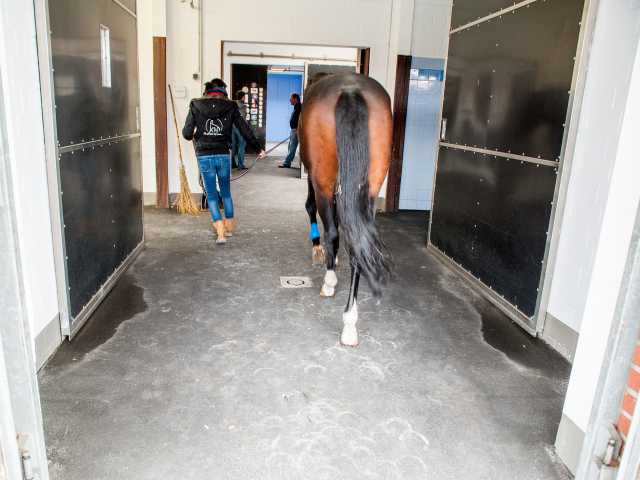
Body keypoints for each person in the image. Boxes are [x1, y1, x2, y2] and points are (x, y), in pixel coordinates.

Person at [183, 78, 265, 244]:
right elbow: (244, 129)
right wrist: (258, 148)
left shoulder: (195, 105)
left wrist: (195, 133)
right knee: (226, 193)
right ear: (223, 92)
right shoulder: (231, 106)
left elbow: (186, 133)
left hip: (204, 155)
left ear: (207, 91)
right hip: (223, 154)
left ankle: (220, 233)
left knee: (212, 196)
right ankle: (228, 229)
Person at [279, 93, 302, 168]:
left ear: (295, 99)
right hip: (294, 130)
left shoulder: (299, 107)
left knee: (292, 147)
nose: (290, 100)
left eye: (291, 98)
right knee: (290, 147)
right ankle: (287, 162)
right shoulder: (296, 107)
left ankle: (287, 163)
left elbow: (300, 119)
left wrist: (297, 129)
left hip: (296, 130)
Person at [231, 90, 248, 170]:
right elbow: (243, 119)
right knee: (242, 144)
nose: (245, 98)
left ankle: (232, 164)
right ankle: (240, 165)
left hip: (232, 127)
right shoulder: (243, 106)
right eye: (244, 96)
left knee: (233, 146)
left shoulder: (231, 104)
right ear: (242, 97)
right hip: (240, 128)